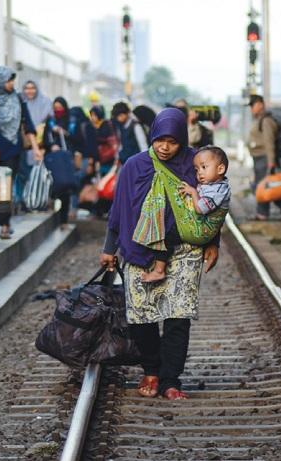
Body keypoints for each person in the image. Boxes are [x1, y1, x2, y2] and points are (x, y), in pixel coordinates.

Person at [100, 108, 219, 400]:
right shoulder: (133, 166)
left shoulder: (194, 165)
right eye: (160, 140)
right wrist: (108, 248)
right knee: (141, 317)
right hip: (140, 251)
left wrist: (214, 242)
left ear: (181, 139)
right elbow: (119, 210)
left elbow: (212, 203)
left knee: (178, 317)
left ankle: (170, 380)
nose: (165, 147)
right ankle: (151, 369)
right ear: (152, 136)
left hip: (184, 251)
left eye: (172, 141)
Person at [139, 146, 231, 283]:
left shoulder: (218, 190)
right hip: (200, 229)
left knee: (166, 234)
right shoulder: (214, 184)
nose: (199, 173)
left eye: (204, 167)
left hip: (200, 232)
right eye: (197, 169)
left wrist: (193, 192)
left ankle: (159, 270)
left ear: (220, 169)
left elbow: (200, 209)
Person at [0, 66, 40, 239]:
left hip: (13, 150)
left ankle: (5, 223)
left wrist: (36, 149)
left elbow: (28, 125)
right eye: (8, 80)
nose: (12, 83)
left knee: (6, 187)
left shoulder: (19, 100)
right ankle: (0, 218)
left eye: (12, 80)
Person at [247, 94, 281, 220]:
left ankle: (263, 213)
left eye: (252, 105)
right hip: (260, 159)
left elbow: (269, 142)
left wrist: (271, 163)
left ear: (260, 104)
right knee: (270, 186)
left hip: (264, 159)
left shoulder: (266, 121)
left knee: (263, 186)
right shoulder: (260, 120)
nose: (251, 109)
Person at [44, 141, 77, 227]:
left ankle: (51, 206)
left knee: (61, 192)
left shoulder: (48, 156)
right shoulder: (65, 155)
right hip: (65, 183)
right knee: (65, 195)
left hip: (55, 184)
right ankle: (64, 222)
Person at [85, 105, 117, 176]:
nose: (93, 117)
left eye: (95, 115)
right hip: (98, 158)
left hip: (108, 156)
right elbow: (91, 145)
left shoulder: (106, 124)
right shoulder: (89, 127)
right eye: (91, 115)